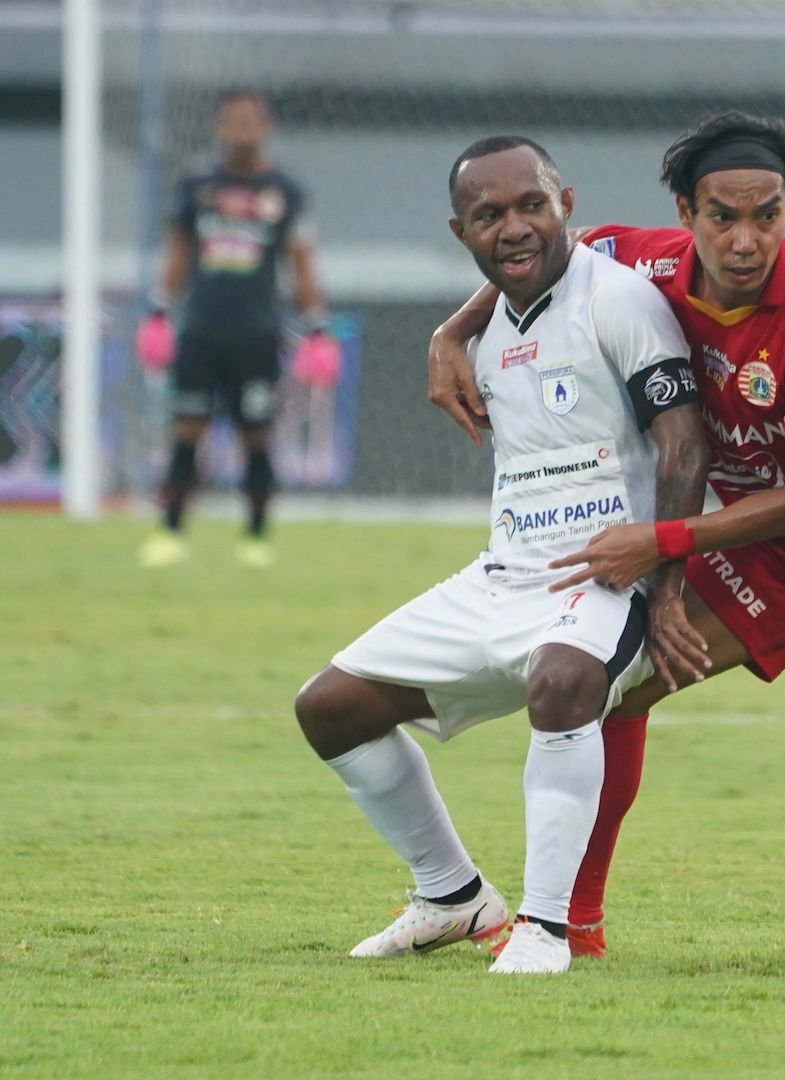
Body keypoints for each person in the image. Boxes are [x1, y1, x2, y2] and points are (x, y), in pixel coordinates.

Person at [426, 112, 785, 974]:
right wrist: (453, 332)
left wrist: (660, 544)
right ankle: (576, 921)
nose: (745, 238)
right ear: (686, 213)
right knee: (622, 689)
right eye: (723, 215)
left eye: (767, 215)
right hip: (768, 535)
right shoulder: (632, 259)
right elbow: (539, 260)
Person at [294, 136, 707, 974]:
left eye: (531, 206)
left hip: (603, 580)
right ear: (462, 233)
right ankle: (450, 895)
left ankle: (544, 927)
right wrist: (451, 330)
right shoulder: (482, 331)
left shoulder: (618, 301)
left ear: (567, 206)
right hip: (502, 575)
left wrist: (665, 588)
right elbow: (501, 302)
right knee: (330, 707)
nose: (514, 227)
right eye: (490, 215)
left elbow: (684, 447)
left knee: (562, 681)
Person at [137, 89, 331, 569]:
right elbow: (178, 249)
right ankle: (171, 532)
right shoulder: (197, 183)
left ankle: (256, 537)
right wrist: (159, 311)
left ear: (266, 127)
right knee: (186, 431)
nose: (242, 130)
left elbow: (300, 261)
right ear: (220, 127)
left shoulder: (286, 191)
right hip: (201, 332)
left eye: (251, 120)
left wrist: (317, 327)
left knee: (257, 435)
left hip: (256, 335)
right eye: (233, 121)